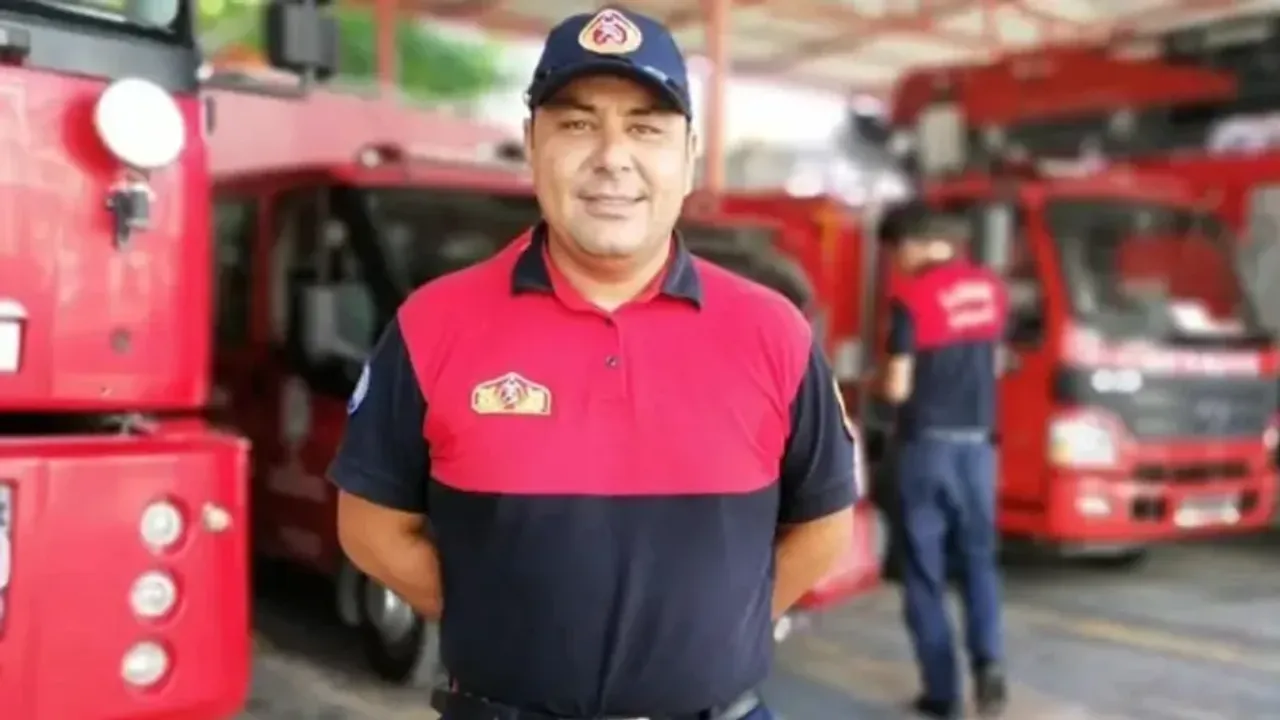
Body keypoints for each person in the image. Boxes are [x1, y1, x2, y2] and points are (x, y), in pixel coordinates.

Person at [327, 6, 859, 720]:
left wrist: (721, 624)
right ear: (531, 144)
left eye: (645, 128)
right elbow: (370, 527)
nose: (612, 157)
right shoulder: (433, 324)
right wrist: (496, 613)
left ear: (688, 155)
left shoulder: (774, 333)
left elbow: (825, 523)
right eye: (578, 124)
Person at [869, 202, 1009, 719]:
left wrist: (872, 384)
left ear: (918, 243)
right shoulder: (991, 289)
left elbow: (898, 385)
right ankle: (989, 665)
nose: (897, 263)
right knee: (978, 562)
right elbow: (994, 359)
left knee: (923, 573)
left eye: (897, 251)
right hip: (977, 448)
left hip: (926, 449)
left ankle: (943, 693)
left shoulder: (912, 297)